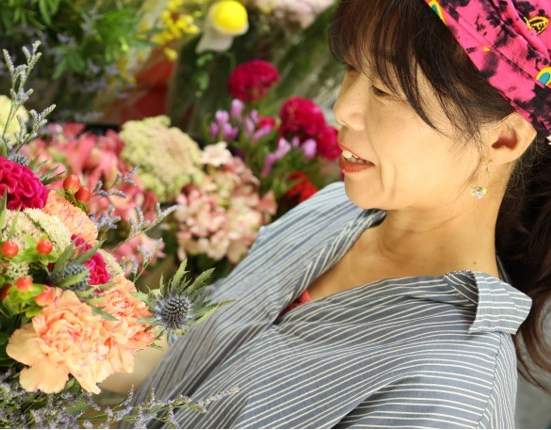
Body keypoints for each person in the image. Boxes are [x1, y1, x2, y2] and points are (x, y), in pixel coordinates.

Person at [107, 0, 551, 427]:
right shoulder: (332, 210)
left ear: (503, 140)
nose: (343, 109)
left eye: (385, 89)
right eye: (351, 68)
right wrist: (79, 329)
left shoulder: (449, 394)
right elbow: (187, 358)